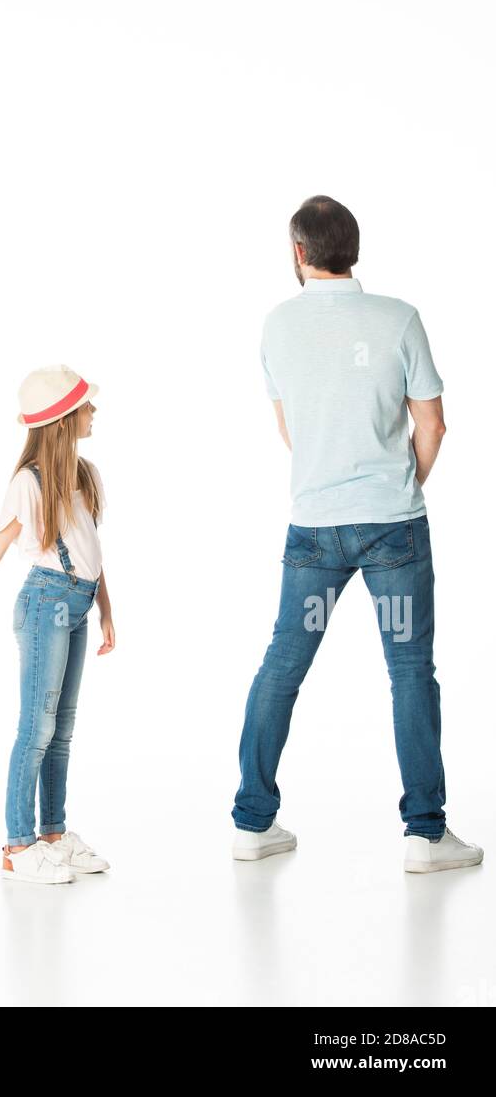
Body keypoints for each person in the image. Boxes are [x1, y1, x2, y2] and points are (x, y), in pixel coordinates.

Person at [231, 196, 483, 873]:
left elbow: (291, 431)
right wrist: (403, 485)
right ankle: (424, 837)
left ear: (298, 253)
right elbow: (430, 425)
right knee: (408, 671)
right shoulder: (398, 319)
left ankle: (251, 823)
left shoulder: (277, 326)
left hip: (314, 531)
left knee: (283, 665)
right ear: (354, 249)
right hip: (391, 531)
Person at [0, 365, 116, 884]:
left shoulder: (86, 475)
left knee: (63, 728)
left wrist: (106, 612)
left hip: (78, 602)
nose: (95, 410)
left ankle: (53, 835)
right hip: (46, 604)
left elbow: (92, 550)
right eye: (86, 404)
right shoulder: (27, 483)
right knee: (37, 727)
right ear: (63, 418)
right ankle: (16, 846)